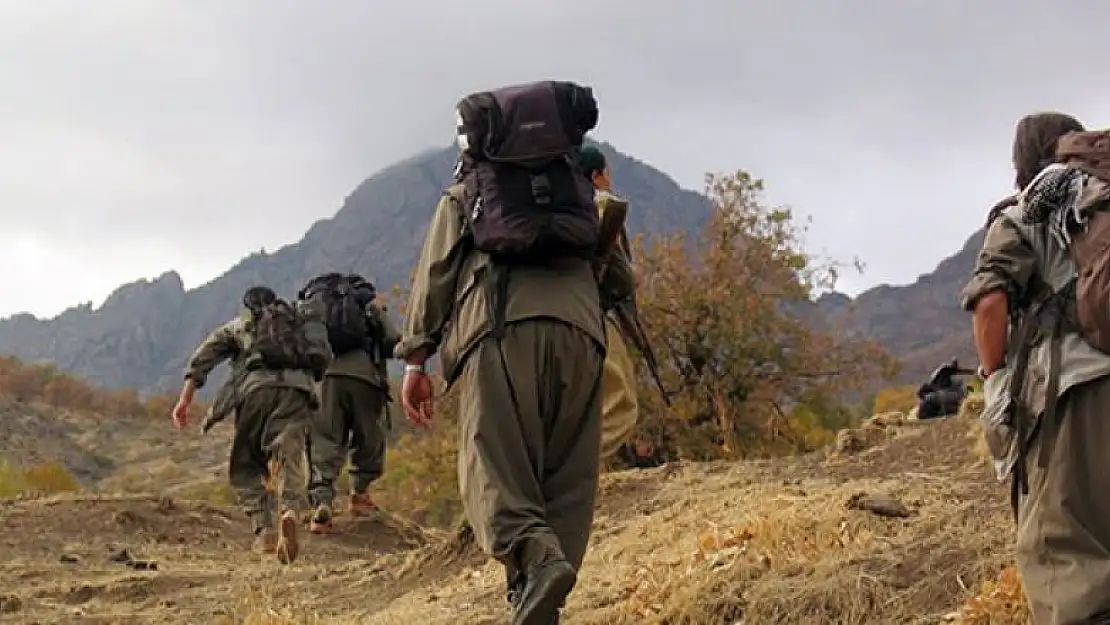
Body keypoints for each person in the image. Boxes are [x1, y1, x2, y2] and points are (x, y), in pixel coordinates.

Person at [397, 80, 632, 624]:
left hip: (500, 331)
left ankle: (534, 557)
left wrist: (416, 359)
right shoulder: (580, 191)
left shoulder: (469, 193)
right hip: (582, 335)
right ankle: (539, 600)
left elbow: (436, 276)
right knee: (566, 477)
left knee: (494, 466)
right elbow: (619, 281)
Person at [962, 111, 1110, 624]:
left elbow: (989, 301)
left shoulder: (1029, 211)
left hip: (1074, 398)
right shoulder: (1104, 202)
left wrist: (994, 375)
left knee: (1068, 564)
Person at [172, 285, 331, 564]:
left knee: (246, 465)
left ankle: (265, 530)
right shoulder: (297, 323)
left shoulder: (241, 325)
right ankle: (290, 510)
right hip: (297, 391)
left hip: (256, 392)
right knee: (288, 453)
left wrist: (185, 399)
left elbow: (203, 358)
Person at [298, 272, 400, 534]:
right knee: (369, 436)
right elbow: (391, 340)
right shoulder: (366, 302)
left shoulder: (314, 307)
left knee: (323, 440)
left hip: (324, 380)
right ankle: (360, 494)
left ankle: (322, 504)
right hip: (364, 376)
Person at [579, 146, 641, 462]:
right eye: (607, 172)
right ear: (595, 176)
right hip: (591, 314)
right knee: (621, 402)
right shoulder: (601, 207)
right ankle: (574, 474)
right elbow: (620, 279)